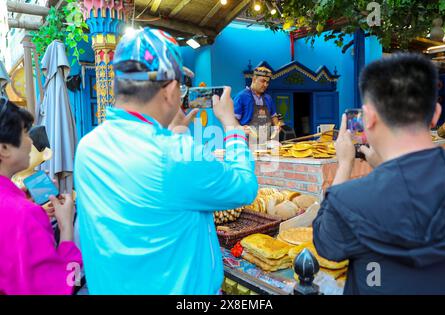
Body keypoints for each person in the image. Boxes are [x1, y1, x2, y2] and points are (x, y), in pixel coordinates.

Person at [74, 28, 258, 294]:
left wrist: (174, 134)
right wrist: (231, 124)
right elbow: (244, 186)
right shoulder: (177, 154)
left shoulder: (88, 147)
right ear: (171, 90)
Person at [312, 53, 445, 295]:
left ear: (369, 118)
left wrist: (344, 164)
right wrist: (384, 166)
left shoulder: (349, 200)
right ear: (436, 114)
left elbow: (326, 246)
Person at [0, 97, 81, 294]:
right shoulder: (25, 214)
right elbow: (67, 285)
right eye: (26, 133)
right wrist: (67, 228)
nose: (30, 141)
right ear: (3, 148)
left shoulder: (22, 208)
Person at [233, 67, 279, 142]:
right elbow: (233, 120)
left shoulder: (268, 98)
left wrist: (276, 126)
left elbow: (273, 116)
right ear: (254, 79)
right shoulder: (241, 97)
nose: (265, 85)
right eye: (263, 81)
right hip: (246, 142)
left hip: (265, 141)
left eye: (267, 82)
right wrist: (240, 128)